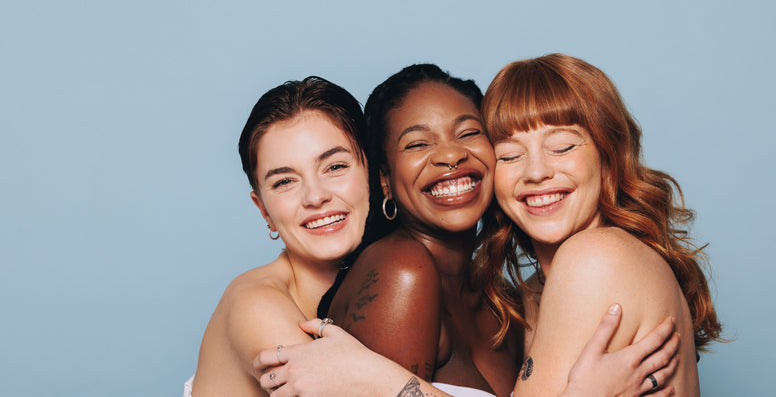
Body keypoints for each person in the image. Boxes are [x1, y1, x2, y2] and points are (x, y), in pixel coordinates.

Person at [256, 64, 681, 397]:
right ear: (384, 179)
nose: (450, 156)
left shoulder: (510, 301)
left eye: (469, 133)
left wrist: (376, 380)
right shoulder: (402, 271)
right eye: (418, 144)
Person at [477, 54, 723, 396]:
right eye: (509, 156)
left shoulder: (594, 258)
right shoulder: (535, 291)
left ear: (607, 155)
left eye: (562, 147)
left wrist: (375, 373)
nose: (535, 172)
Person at [186, 76, 371, 397]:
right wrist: (378, 375)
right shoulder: (256, 304)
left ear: (376, 174)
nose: (315, 197)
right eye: (285, 182)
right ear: (264, 211)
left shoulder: (392, 280)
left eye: (335, 166)